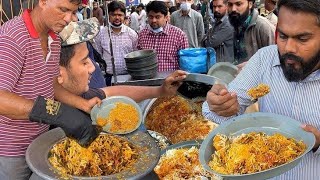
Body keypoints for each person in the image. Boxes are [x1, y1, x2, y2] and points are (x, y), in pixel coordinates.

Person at [203, 0, 320, 179]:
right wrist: (221, 104)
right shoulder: (264, 59)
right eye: (282, 36)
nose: (288, 48)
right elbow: (216, 113)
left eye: (302, 39)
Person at [0, 0, 102, 179]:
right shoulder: (12, 37)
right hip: (11, 148)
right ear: (43, 1)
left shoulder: (53, 37)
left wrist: (83, 104)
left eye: (73, 12)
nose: (69, 19)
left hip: (40, 139)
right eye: (63, 10)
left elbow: (51, 83)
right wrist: (56, 113)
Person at [58, 20, 188, 103]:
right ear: (59, 73)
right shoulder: (53, 114)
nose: (93, 68)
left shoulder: (80, 96)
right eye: (84, 62)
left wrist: (160, 91)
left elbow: (110, 92)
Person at [94, 1, 138, 86]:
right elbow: (99, 55)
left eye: (120, 15)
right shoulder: (101, 34)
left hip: (128, 76)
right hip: (109, 78)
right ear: (108, 15)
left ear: (124, 16)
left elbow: (135, 56)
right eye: (113, 15)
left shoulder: (132, 34)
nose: (117, 17)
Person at [138, 1, 189, 72]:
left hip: (172, 80)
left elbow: (185, 63)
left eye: (157, 17)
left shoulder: (179, 35)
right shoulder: (142, 35)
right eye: (151, 17)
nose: (154, 20)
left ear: (166, 17)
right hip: (148, 80)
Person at [228, 0, 275, 66]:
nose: (233, 9)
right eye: (230, 5)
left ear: (250, 4)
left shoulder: (263, 27)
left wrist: (252, 67)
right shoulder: (234, 24)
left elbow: (275, 61)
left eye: (238, 4)